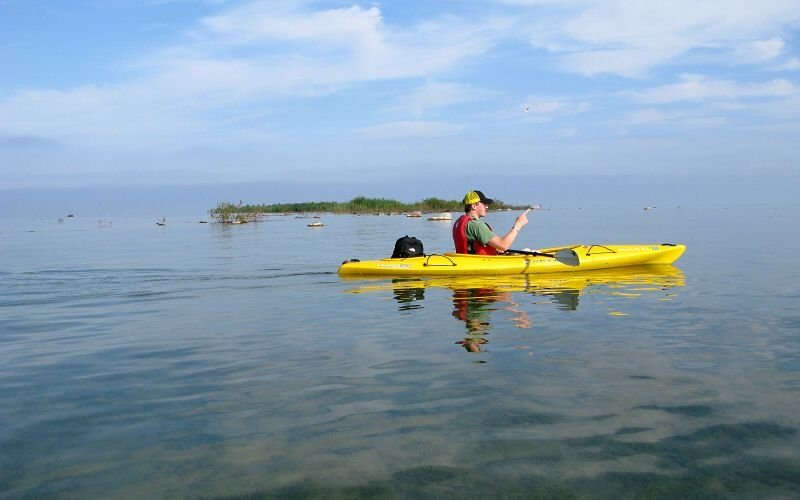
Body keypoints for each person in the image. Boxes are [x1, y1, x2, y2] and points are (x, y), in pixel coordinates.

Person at [453, 190, 530, 255]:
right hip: (481, 263)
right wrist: (518, 224)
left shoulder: (460, 223)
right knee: (528, 251)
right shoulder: (477, 225)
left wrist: (496, 249)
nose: (487, 207)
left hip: (467, 261)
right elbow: (503, 245)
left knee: (526, 250)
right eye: (484, 204)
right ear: (474, 206)